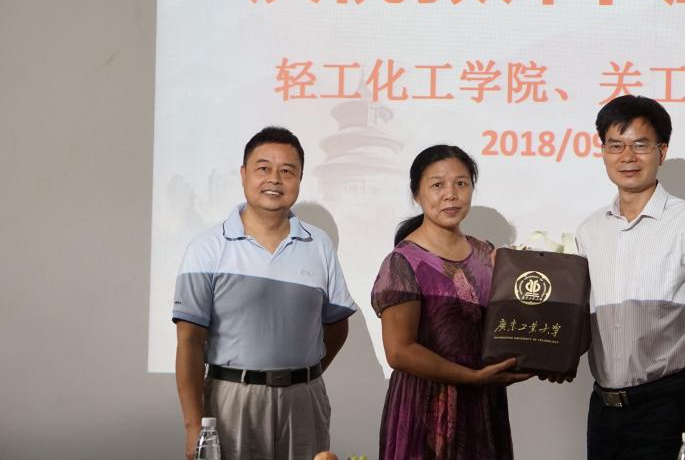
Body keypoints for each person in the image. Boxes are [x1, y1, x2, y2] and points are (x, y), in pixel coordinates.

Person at [173, 126, 358, 460]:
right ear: (244, 174)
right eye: (263, 168)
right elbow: (189, 342)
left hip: (304, 401)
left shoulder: (319, 245)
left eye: (287, 171)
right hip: (231, 399)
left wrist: (299, 374)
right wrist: (192, 425)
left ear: (300, 179)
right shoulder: (206, 248)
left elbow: (337, 326)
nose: (275, 179)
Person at [576, 96, 685, 460]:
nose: (627, 157)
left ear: (661, 152)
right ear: (603, 151)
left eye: (640, 145)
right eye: (615, 145)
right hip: (602, 410)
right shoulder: (589, 230)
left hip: (667, 408)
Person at [371, 145, 532, 460]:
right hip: (425, 410)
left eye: (461, 183)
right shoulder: (402, 262)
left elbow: (510, 327)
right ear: (417, 194)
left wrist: (521, 277)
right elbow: (399, 352)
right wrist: (473, 377)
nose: (451, 194)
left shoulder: (489, 255)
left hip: (482, 406)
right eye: (437, 185)